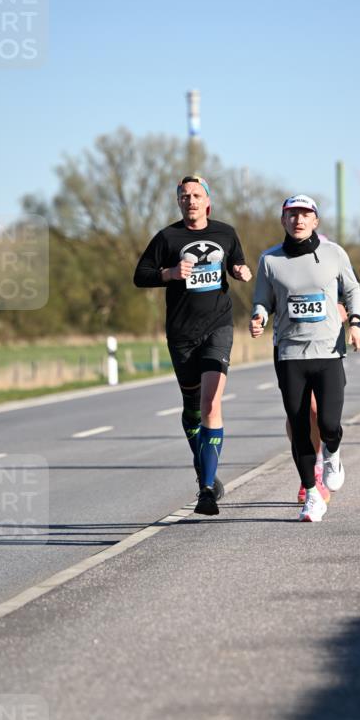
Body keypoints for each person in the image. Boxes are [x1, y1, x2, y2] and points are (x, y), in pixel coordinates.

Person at [134, 175, 252, 515]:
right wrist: (169, 274)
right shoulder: (167, 237)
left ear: (208, 201)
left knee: (211, 401)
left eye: (196, 195)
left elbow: (236, 264)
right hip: (182, 332)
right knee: (193, 406)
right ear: (178, 202)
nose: (191, 201)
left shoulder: (226, 233)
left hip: (218, 326)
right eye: (185, 196)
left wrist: (242, 271)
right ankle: (205, 468)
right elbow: (140, 274)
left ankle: (206, 491)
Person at [249, 194, 360, 522]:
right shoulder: (270, 260)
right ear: (283, 220)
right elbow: (262, 299)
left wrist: (356, 323)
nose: (298, 220)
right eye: (292, 215)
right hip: (289, 353)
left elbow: (353, 289)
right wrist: (258, 316)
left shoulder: (333, 253)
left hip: (328, 351)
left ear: (315, 221)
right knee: (299, 426)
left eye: (305, 215)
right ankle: (311, 495)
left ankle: (333, 454)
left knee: (329, 424)